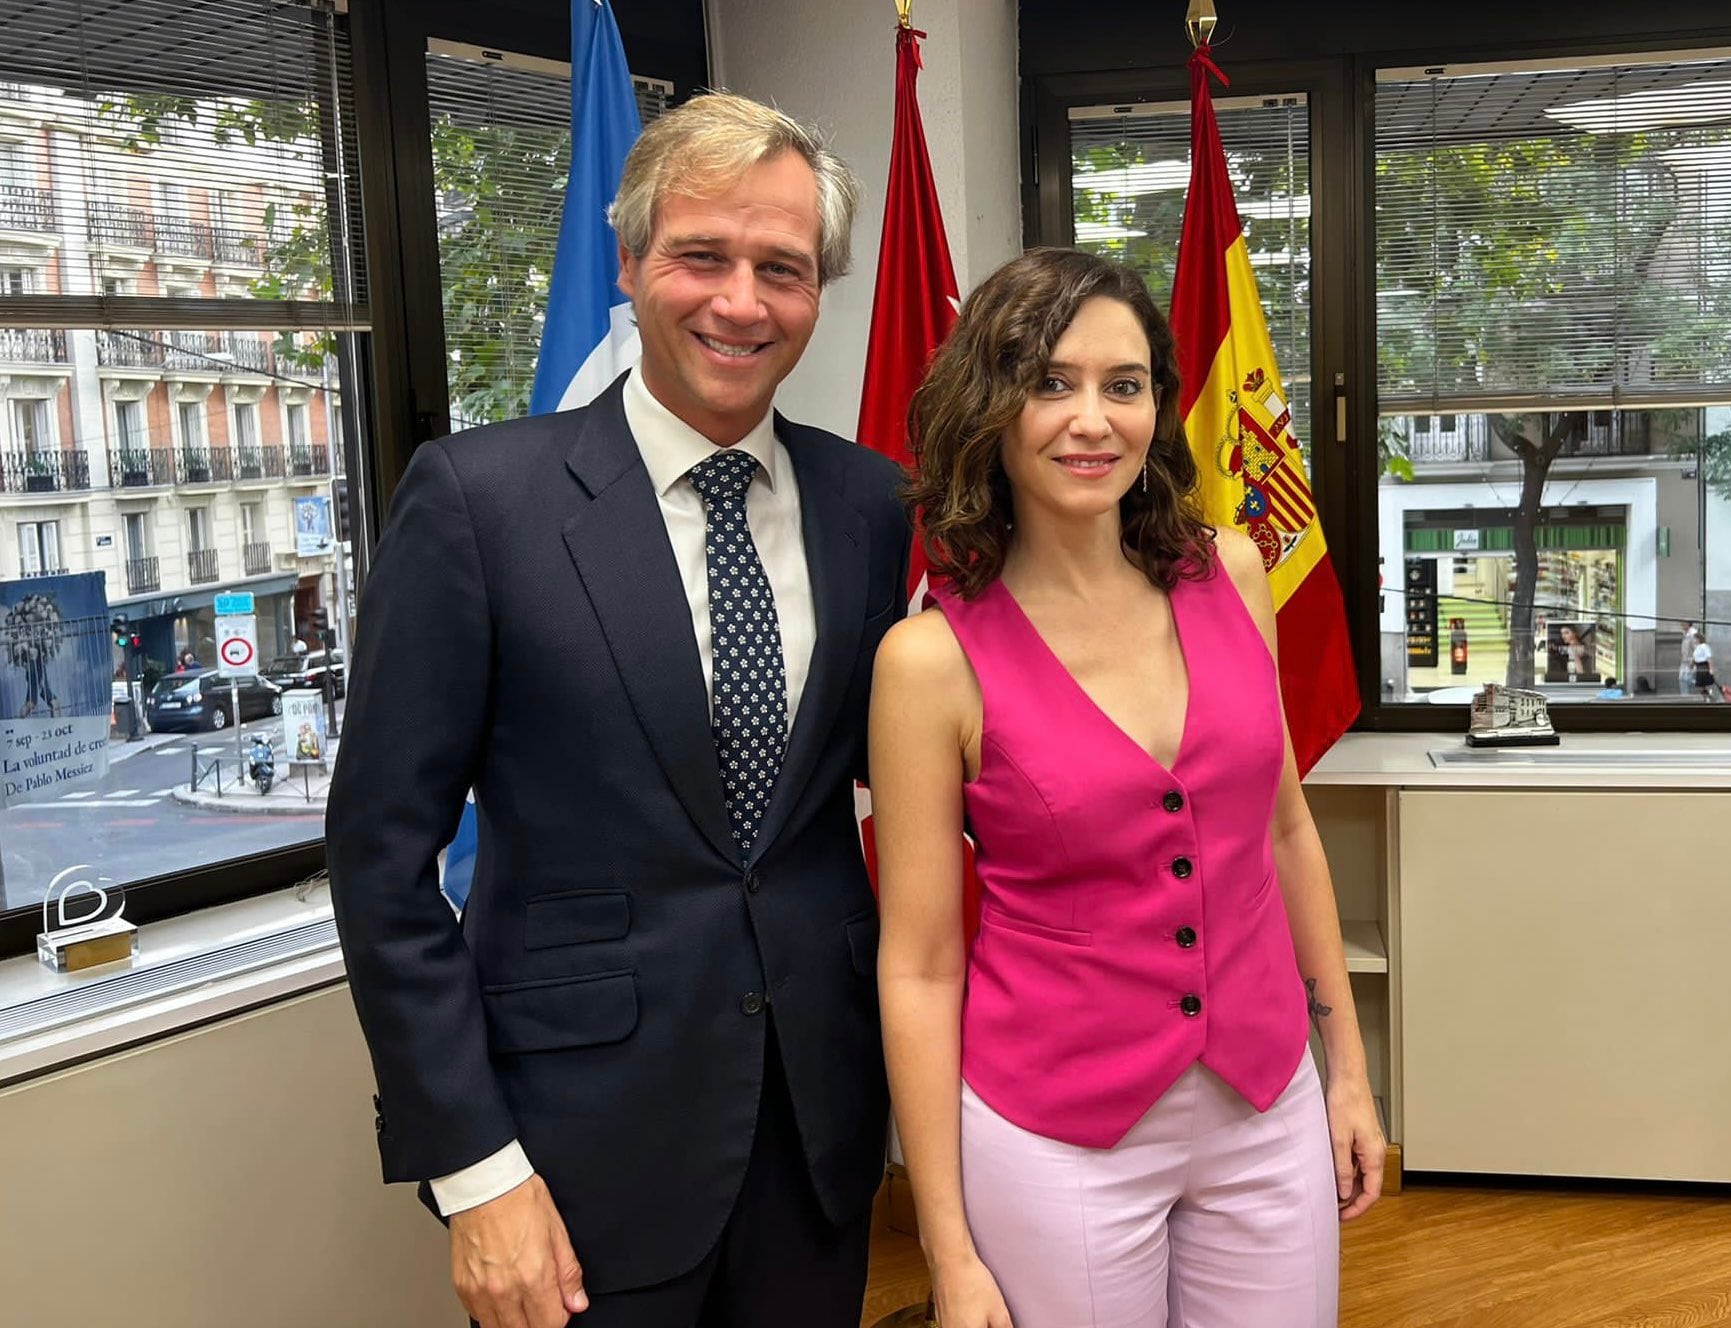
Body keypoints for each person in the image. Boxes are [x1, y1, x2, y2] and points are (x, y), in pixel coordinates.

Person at [327, 93, 909, 1328]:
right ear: (633, 258)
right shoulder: (479, 503)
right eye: (701, 255)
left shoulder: (871, 503)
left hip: (818, 1142)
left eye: (782, 268)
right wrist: (476, 1168)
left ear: (818, 291)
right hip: (569, 1159)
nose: (740, 301)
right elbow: (381, 859)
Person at [871, 249, 1384, 1328]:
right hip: (1056, 1137)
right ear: (990, 408)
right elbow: (918, 963)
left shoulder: (1231, 572)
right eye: (1050, 382)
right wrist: (946, 1243)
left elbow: (1285, 829)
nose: (1090, 419)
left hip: (1263, 1099)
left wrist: (1343, 1068)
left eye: (1123, 383)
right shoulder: (927, 661)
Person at [1693, 632, 1717, 701]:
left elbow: (1709, 658)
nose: (1693, 640)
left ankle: (1709, 696)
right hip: (1698, 666)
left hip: (1704, 665)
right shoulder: (1697, 647)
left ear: (1698, 639)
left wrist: (1711, 668)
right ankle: (1706, 697)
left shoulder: (1704, 646)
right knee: (1700, 685)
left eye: (1695, 638)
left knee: (1704, 683)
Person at [1679, 620, 1698, 695]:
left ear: (1687, 624)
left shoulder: (1693, 634)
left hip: (1690, 664)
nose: (1681, 624)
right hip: (1684, 663)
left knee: (1685, 681)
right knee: (1683, 681)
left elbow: (1697, 651)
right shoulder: (1685, 634)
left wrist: (1692, 664)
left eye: (1683, 623)